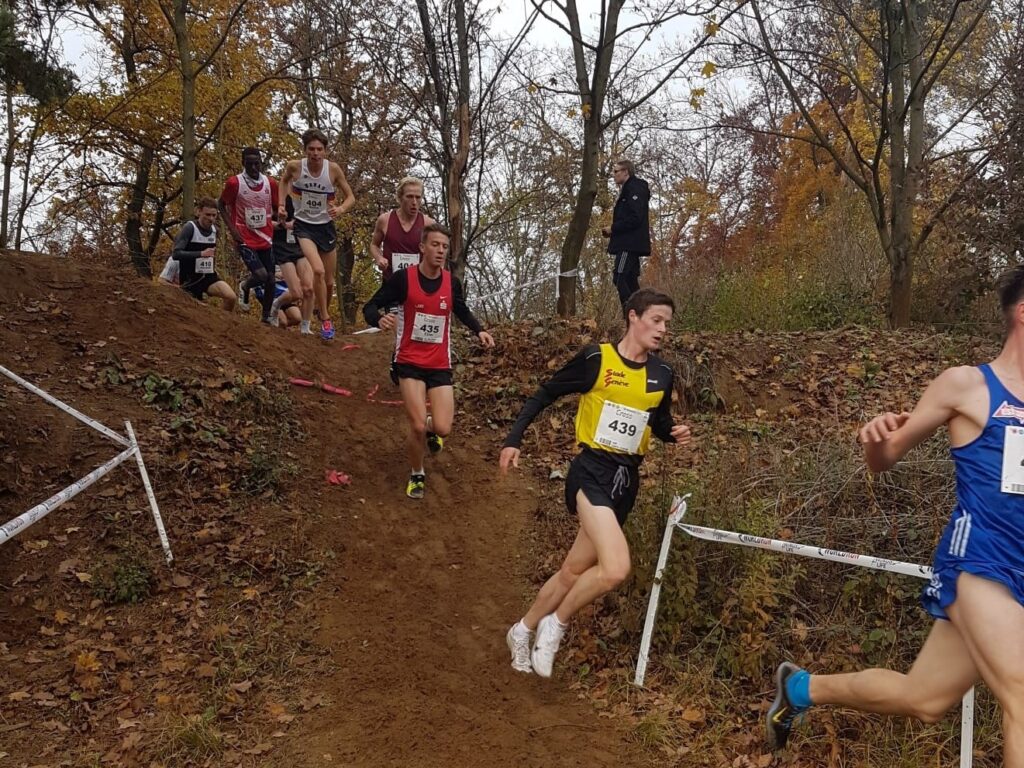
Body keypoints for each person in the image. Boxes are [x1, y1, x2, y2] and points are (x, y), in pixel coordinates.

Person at [765, 265, 1024, 765]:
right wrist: (877, 439)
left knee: (923, 698)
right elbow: (886, 458)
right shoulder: (968, 385)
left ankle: (799, 689)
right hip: (981, 559)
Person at [499, 288, 692, 678]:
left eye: (667, 323)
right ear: (633, 317)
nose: (662, 329)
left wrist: (673, 433)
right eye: (656, 319)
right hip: (591, 472)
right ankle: (557, 622)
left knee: (572, 571)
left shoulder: (662, 373)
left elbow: (656, 422)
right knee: (616, 568)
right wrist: (513, 439)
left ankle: (521, 630)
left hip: (626, 482)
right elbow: (547, 392)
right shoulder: (596, 359)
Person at [362, 223, 495, 499]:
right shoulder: (403, 279)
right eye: (435, 245)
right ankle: (417, 473)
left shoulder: (450, 283)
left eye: (445, 247)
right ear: (422, 247)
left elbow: (462, 309)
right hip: (409, 362)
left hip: (438, 364)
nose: (441, 251)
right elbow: (370, 306)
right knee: (418, 425)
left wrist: (479, 329)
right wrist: (378, 318)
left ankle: (431, 430)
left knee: (442, 427)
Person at [278, 129, 356, 340]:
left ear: (325, 151)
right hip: (304, 226)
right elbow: (284, 182)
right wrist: (281, 205)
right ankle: (325, 317)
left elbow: (351, 197)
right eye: (311, 149)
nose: (315, 153)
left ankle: (322, 310)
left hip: (326, 227)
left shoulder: (333, 170)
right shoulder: (295, 166)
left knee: (329, 281)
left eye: (319, 149)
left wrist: (340, 210)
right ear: (305, 150)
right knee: (318, 272)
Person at [219, 147, 279, 323]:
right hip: (244, 237)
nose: (253, 168)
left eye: (257, 163)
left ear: (261, 163)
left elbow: (276, 207)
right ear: (242, 163)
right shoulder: (234, 183)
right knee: (261, 275)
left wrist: (280, 215)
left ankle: (266, 317)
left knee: (271, 278)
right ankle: (245, 286)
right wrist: (232, 230)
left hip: (265, 236)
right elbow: (221, 205)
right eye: (249, 164)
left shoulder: (271, 183)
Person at [170, 197, 236, 311]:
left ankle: (222, 322)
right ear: (199, 211)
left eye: (214, 215)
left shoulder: (215, 230)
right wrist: (200, 253)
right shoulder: (190, 228)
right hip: (190, 279)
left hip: (208, 277)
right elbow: (176, 254)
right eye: (207, 215)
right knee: (200, 311)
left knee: (231, 297)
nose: (211, 219)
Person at [601, 159, 650, 310]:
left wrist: (613, 228)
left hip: (629, 244)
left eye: (616, 172)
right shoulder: (628, 190)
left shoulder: (634, 189)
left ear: (625, 172)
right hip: (629, 242)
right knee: (630, 279)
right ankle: (642, 315)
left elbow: (636, 218)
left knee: (619, 277)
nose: (614, 175)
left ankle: (631, 315)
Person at [369, 176, 435, 282]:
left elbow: (437, 254)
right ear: (400, 197)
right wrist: (379, 258)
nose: (414, 202)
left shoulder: (429, 224)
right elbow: (374, 245)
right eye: (409, 197)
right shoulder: (385, 220)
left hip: (419, 284)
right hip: (391, 283)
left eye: (418, 197)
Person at [269, 196, 316, 332]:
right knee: (296, 293)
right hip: (282, 248)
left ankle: (305, 327)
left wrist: (296, 223)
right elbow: (263, 222)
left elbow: (311, 218)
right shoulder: (275, 197)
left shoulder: (303, 197)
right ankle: (276, 305)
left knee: (309, 289)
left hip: (299, 246)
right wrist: (280, 223)